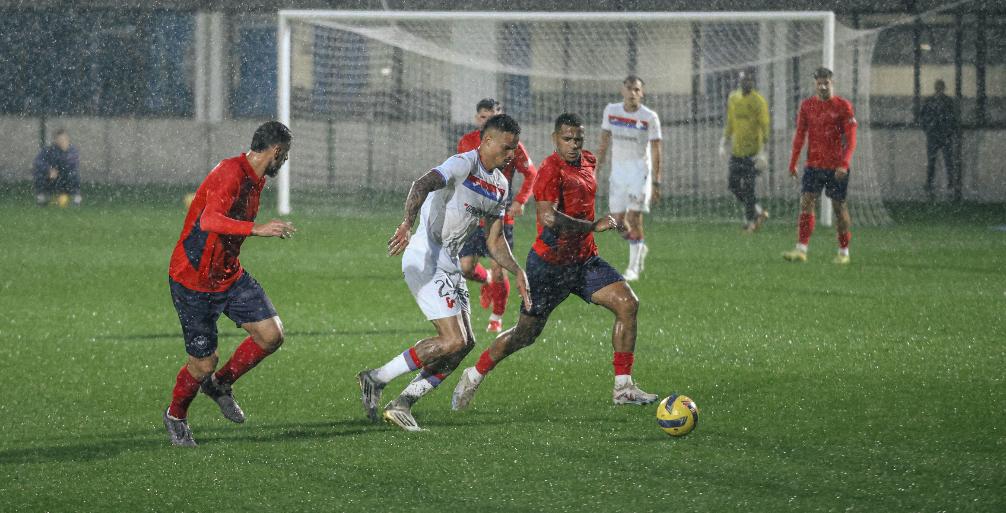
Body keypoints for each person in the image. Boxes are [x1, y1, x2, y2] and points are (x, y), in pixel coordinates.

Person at [451, 113, 659, 412]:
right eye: (567, 139)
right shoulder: (549, 169)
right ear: (554, 139)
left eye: (578, 139)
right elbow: (548, 217)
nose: (574, 145)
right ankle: (474, 374)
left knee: (628, 303)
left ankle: (623, 387)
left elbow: (584, 203)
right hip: (548, 267)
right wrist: (591, 226)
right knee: (524, 335)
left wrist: (611, 221)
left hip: (584, 261)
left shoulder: (588, 161)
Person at [357, 114, 531, 432]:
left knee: (464, 344)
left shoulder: (501, 186)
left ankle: (402, 403)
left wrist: (516, 270)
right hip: (425, 253)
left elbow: (495, 239)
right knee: (452, 340)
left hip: (449, 263)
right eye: (507, 148)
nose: (511, 156)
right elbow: (421, 184)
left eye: (514, 150)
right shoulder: (463, 164)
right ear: (487, 141)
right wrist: (407, 223)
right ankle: (376, 378)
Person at [162, 121, 296, 447]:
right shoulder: (231, 173)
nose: (286, 161)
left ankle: (220, 385)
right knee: (203, 363)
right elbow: (209, 221)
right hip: (193, 281)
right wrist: (258, 229)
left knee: (271, 335)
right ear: (276, 151)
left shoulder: (255, 179)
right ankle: (176, 415)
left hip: (228, 276)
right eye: (286, 155)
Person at [457, 98, 538, 333]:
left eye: (491, 117)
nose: (487, 121)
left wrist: (520, 201)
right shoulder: (467, 142)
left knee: (499, 267)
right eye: (483, 117)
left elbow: (531, 174)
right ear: (477, 119)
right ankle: (488, 281)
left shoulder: (512, 145)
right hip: (472, 216)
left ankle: (497, 317)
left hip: (500, 216)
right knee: (466, 268)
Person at [783, 67, 858, 265]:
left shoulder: (843, 106)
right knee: (806, 202)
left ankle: (844, 252)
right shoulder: (807, 106)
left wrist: (844, 163)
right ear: (815, 84)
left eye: (827, 83)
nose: (823, 86)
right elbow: (800, 136)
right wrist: (793, 162)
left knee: (839, 207)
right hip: (814, 165)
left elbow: (851, 140)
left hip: (836, 167)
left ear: (832, 83)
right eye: (820, 83)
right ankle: (801, 249)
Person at [596, 75, 662, 281]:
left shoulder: (649, 117)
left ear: (642, 93)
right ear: (622, 90)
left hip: (639, 173)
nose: (633, 93)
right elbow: (604, 143)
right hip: (618, 173)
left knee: (634, 218)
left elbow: (656, 150)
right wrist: (595, 170)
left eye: (636, 90)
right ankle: (639, 245)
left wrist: (656, 181)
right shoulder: (611, 111)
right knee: (617, 222)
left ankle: (633, 268)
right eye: (629, 89)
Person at [719, 68, 771, 232]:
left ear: (753, 82)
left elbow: (765, 127)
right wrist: (723, 142)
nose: (746, 83)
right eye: (743, 80)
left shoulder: (759, 101)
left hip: (753, 153)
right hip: (737, 151)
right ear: (739, 81)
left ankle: (750, 223)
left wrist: (763, 152)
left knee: (749, 188)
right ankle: (758, 212)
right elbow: (730, 122)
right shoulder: (733, 98)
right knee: (733, 185)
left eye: (749, 80)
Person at [920, 79, 960, 202]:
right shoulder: (943, 101)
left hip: (940, 135)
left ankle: (944, 183)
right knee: (937, 161)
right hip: (938, 135)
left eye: (940, 86)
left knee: (944, 161)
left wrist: (929, 128)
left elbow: (952, 117)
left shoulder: (939, 101)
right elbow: (923, 116)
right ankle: (940, 183)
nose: (939, 89)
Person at [33, 129, 81, 207]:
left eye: (64, 139)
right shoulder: (49, 150)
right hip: (52, 177)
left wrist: (65, 153)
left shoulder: (72, 151)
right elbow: (38, 161)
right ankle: (42, 199)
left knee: (74, 174)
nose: (62, 141)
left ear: (68, 139)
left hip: (66, 178)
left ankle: (76, 199)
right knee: (39, 174)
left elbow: (72, 164)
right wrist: (49, 169)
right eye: (60, 139)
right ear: (55, 140)